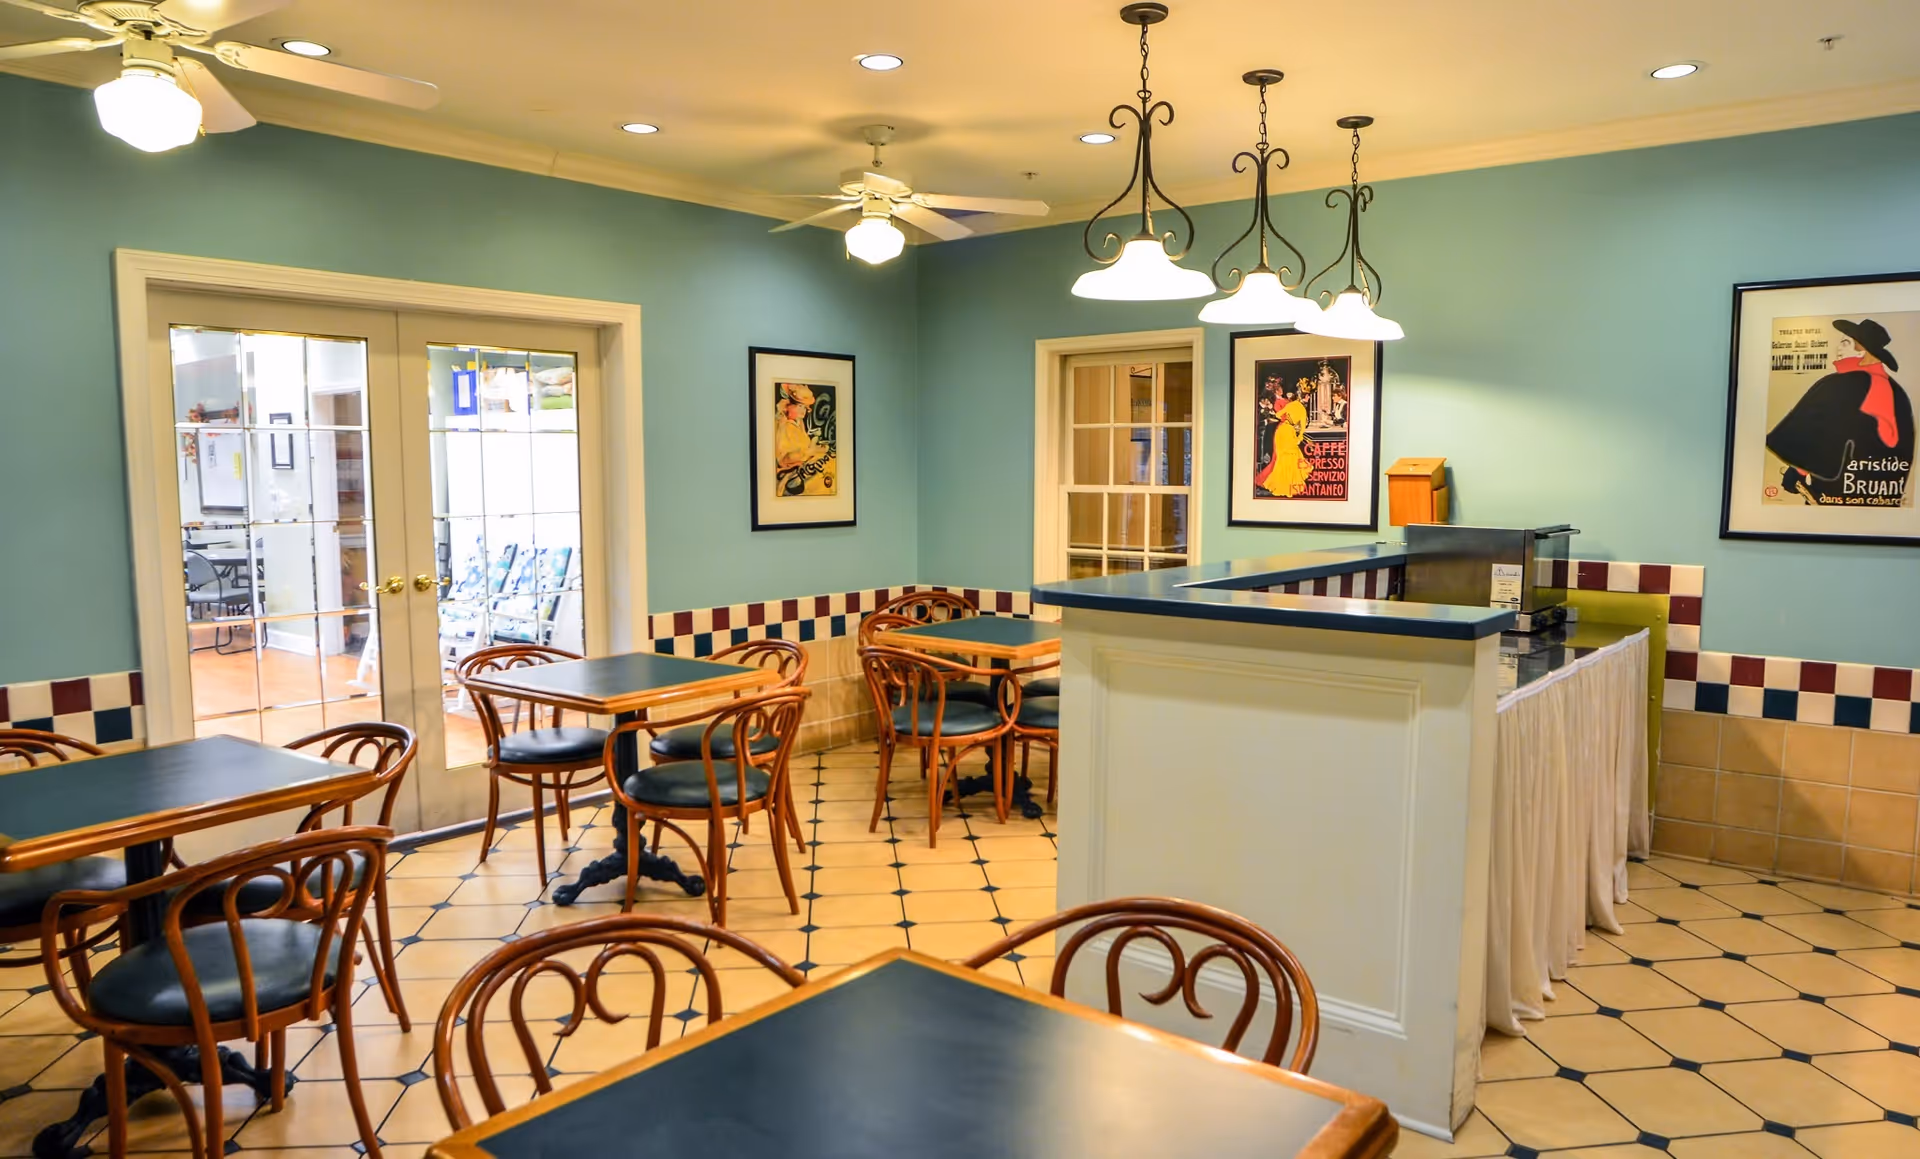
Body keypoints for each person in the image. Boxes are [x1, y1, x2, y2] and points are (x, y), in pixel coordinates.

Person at [1767, 318, 1914, 506]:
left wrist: (1798, 471)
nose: (1838, 348)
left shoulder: (1844, 383)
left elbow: (1824, 431)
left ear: (1862, 350)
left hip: (1838, 489)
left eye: (1845, 343)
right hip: (1881, 490)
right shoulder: (1894, 389)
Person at [773, 382, 836, 496]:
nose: (803, 411)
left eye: (805, 407)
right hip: (790, 473)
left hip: (805, 464)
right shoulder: (784, 426)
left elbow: (805, 445)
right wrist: (810, 452)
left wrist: (817, 447)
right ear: (788, 405)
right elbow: (784, 459)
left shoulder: (798, 422)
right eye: (799, 406)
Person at [1254, 381, 1314, 498]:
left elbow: (1278, 415)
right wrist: (1299, 437)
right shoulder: (1302, 410)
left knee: (1281, 458)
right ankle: (1288, 485)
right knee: (1291, 458)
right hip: (1290, 433)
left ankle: (1280, 484)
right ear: (1306, 397)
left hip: (1281, 431)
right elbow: (1302, 428)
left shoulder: (1291, 405)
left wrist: (1286, 418)